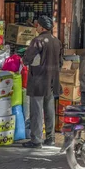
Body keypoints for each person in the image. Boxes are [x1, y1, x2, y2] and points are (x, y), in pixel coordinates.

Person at [22, 16, 62, 148]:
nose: (36, 27)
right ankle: (50, 138)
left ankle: (36, 140)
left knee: (37, 110)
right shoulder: (57, 41)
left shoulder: (37, 41)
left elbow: (27, 59)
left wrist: (28, 61)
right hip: (52, 80)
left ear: (42, 27)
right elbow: (61, 62)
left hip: (38, 80)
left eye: (37, 25)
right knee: (49, 108)